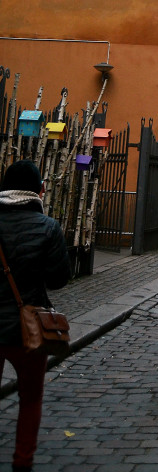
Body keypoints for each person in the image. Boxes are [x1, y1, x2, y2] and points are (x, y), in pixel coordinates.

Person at [0, 159, 71, 472]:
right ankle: (22, 463)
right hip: (28, 326)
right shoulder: (48, 226)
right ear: (39, 190)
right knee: (30, 398)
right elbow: (58, 279)